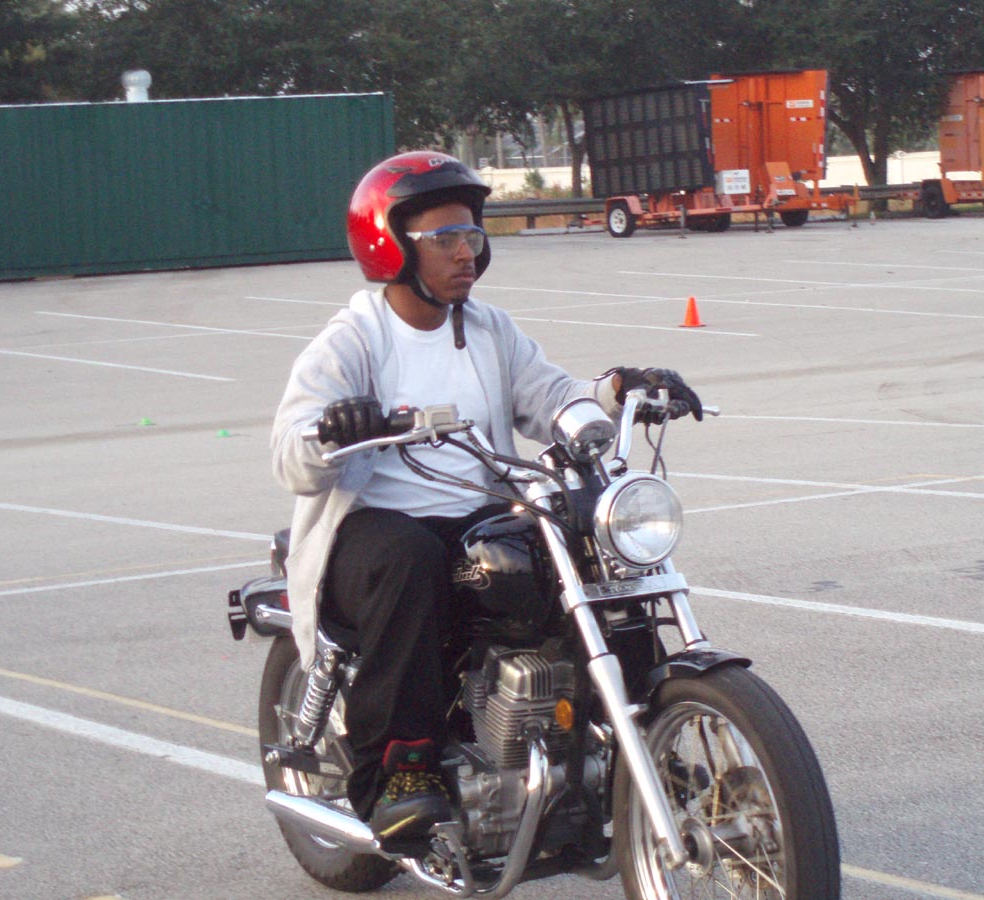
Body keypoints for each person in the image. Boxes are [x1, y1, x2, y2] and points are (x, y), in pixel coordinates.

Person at [271, 150, 702, 848]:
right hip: (373, 527)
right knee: (410, 559)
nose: (465, 252)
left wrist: (616, 394)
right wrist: (332, 429)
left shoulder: (489, 329)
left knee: (580, 545)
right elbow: (289, 454)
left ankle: (645, 736)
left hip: (476, 513)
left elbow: (550, 395)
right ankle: (402, 770)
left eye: (472, 234)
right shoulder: (353, 340)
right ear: (391, 245)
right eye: (444, 237)